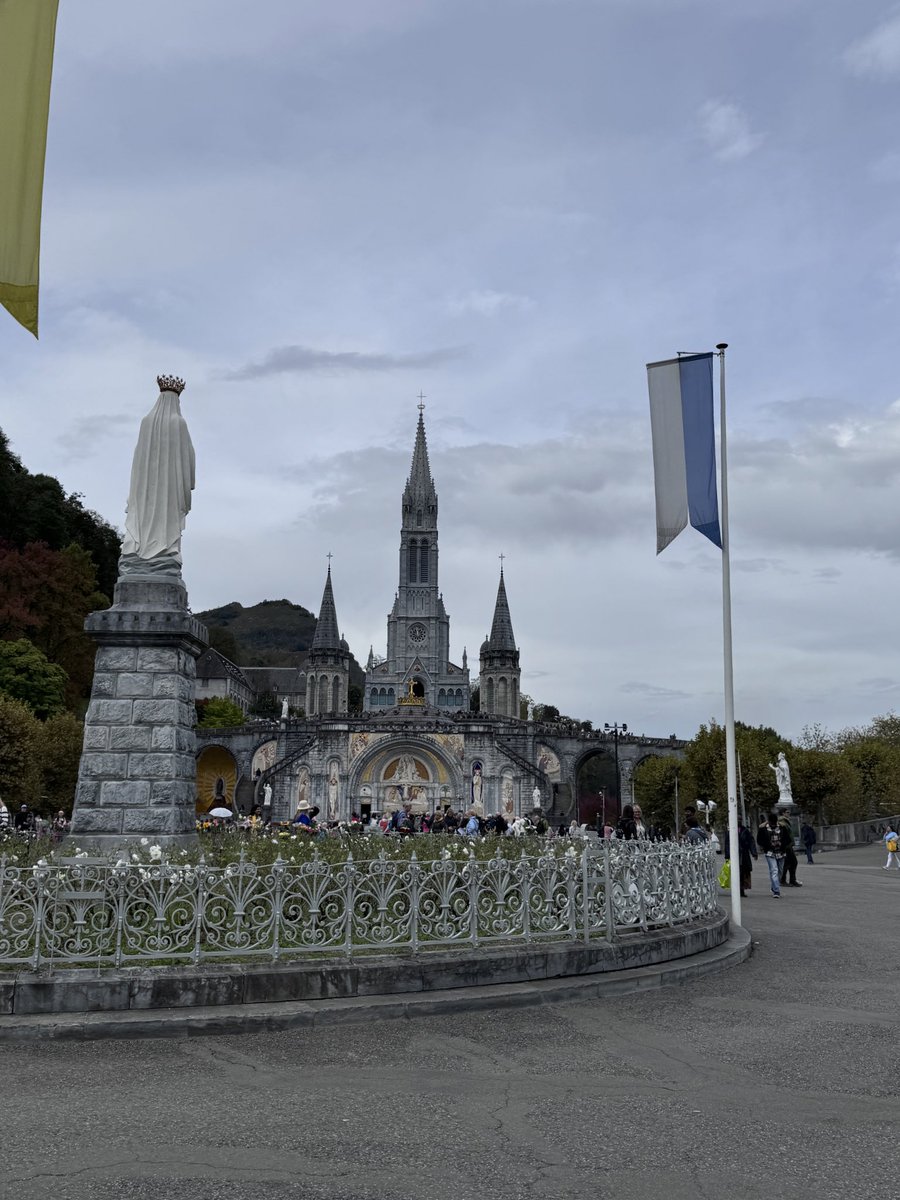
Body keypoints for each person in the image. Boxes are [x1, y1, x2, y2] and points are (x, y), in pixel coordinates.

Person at [119, 375, 195, 575]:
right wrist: (187, 485)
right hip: (170, 489)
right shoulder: (179, 423)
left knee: (143, 518)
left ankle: (138, 552)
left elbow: (137, 457)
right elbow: (188, 458)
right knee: (166, 521)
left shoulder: (146, 422)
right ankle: (165, 551)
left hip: (144, 487)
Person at [724, 822, 758, 898]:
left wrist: (754, 853)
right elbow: (727, 843)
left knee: (743, 872)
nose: (738, 821)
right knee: (736, 872)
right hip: (734, 855)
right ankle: (737, 889)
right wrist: (727, 855)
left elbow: (751, 842)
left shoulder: (745, 830)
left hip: (744, 855)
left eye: (740, 819)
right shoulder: (730, 831)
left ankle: (742, 889)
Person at [756, 813, 784, 898]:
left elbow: (787, 838)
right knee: (774, 870)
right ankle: (776, 891)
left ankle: (774, 885)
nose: (773, 825)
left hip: (781, 852)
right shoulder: (764, 829)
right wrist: (765, 846)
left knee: (780, 871)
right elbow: (759, 840)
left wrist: (784, 846)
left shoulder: (782, 828)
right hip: (770, 852)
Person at [777, 816, 802, 887]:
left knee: (793, 862)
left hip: (789, 845)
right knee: (787, 863)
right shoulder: (782, 823)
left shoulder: (786, 822)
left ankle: (792, 880)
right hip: (786, 846)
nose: (789, 814)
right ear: (783, 813)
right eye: (787, 812)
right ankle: (783, 880)